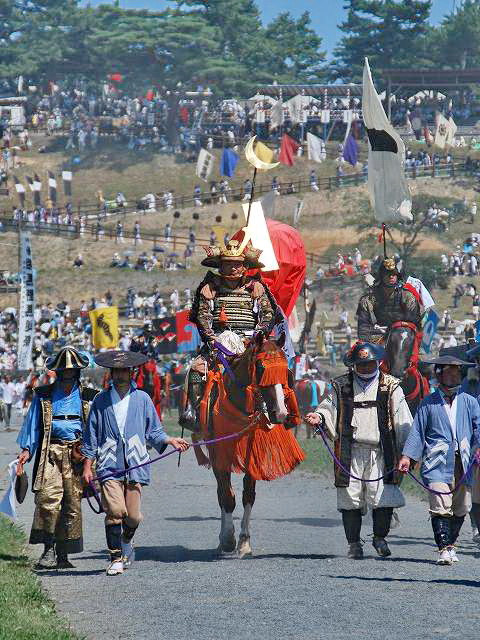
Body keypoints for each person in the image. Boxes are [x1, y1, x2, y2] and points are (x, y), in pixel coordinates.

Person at [81, 350, 189, 576]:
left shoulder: (142, 399)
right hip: (109, 463)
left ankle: (126, 540)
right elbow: (91, 436)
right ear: (111, 373)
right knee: (115, 511)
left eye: (124, 370)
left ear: (131, 372)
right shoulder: (100, 400)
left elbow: (154, 430)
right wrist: (87, 466)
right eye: (116, 371)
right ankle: (115, 559)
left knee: (133, 516)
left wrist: (169, 440)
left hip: (136, 462)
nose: (120, 374)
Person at [305, 342, 413, 559]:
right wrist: (319, 416)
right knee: (350, 498)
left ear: (378, 362)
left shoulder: (392, 386)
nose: (365, 367)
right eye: (361, 364)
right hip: (350, 452)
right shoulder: (341, 385)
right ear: (353, 365)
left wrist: (407, 453)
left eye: (369, 363)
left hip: (381, 453)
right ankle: (354, 544)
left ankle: (380, 538)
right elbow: (328, 407)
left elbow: (403, 420)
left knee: (383, 497)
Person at [16, 346, 98, 569]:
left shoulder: (89, 396)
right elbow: (33, 425)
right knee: (48, 499)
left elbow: (96, 429)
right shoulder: (43, 395)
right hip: (50, 453)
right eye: (64, 370)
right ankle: (48, 550)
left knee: (71, 503)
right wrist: (26, 450)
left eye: (71, 370)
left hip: (77, 455)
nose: (68, 373)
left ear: (78, 371)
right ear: (58, 372)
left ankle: (63, 554)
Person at [187, 230, 277, 431]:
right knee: (196, 369)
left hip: (250, 341)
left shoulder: (256, 287)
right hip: (219, 341)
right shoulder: (210, 288)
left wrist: (259, 335)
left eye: (237, 264)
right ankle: (194, 413)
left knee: (274, 368)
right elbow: (203, 316)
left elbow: (268, 314)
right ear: (220, 265)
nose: (233, 267)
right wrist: (211, 339)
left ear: (245, 266)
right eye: (228, 263)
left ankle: (278, 409)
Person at [398, 353, 480, 565]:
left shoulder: (470, 402)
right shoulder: (428, 403)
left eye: (457, 372)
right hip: (437, 462)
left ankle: (451, 545)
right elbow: (417, 431)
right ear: (439, 374)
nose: (454, 375)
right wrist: (407, 456)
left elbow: (478, 428)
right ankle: (443, 549)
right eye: (449, 372)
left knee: (461, 507)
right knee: (440, 504)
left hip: (464, 462)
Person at [357, 257, 422, 344]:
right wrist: (374, 340)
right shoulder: (368, 300)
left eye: (394, 274)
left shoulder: (408, 297)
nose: (391, 276)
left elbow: (414, 323)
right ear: (381, 276)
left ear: (397, 276)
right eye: (387, 274)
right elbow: (363, 328)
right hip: (377, 340)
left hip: (402, 339)